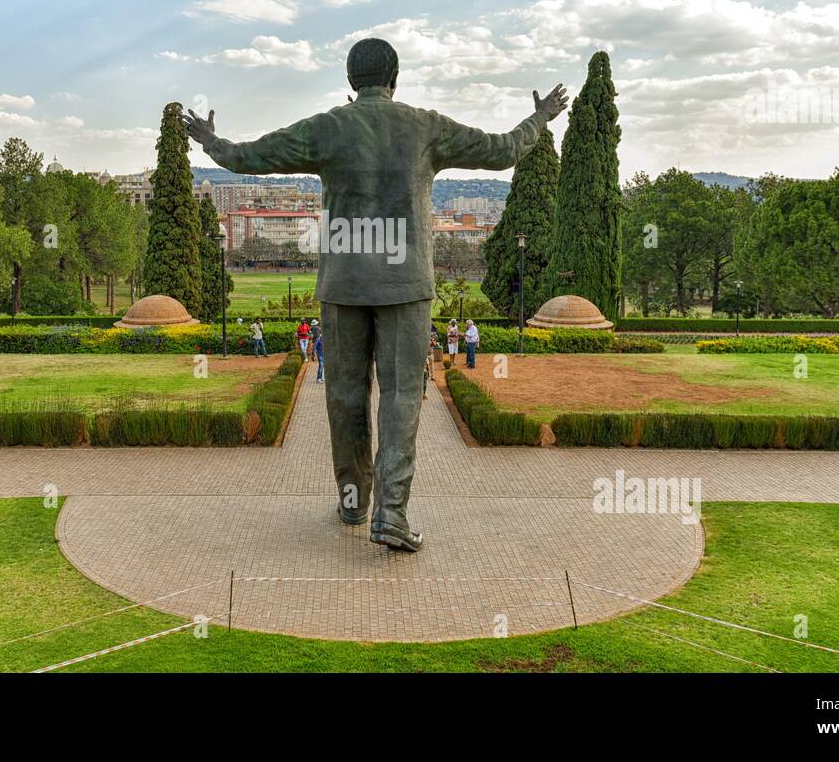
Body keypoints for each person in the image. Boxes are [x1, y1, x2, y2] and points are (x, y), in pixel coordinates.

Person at [184, 37, 567, 552]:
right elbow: (502, 151)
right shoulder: (424, 125)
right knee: (402, 397)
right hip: (406, 285)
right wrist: (539, 118)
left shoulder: (328, 127)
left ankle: (351, 500)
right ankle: (391, 514)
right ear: (395, 77)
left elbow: (248, 156)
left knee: (344, 396)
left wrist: (209, 139)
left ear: (350, 81)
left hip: (343, 284)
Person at [311, 318, 324, 383]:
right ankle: (319, 378)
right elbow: (314, 348)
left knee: (322, 366)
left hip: (323, 354)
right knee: (321, 365)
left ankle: (321, 377)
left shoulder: (324, 339)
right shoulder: (318, 339)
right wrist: (313, 355)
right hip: (320, 354)